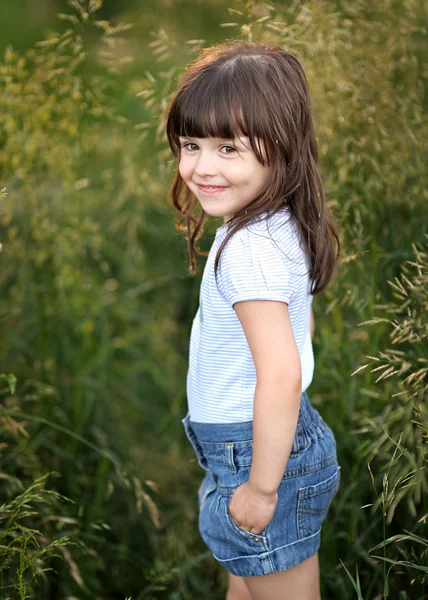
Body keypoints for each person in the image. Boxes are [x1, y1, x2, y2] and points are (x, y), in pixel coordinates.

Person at [165, 40, 341, 600]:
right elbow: (300, 329)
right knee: (244, 588)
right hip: (255, 448)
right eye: (190, 144)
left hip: (257, 458)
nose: (200, 167)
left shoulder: (248, 249)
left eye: (227, 148)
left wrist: (263, 489)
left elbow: (283, 374)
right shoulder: (277, 222)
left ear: (282, 148)